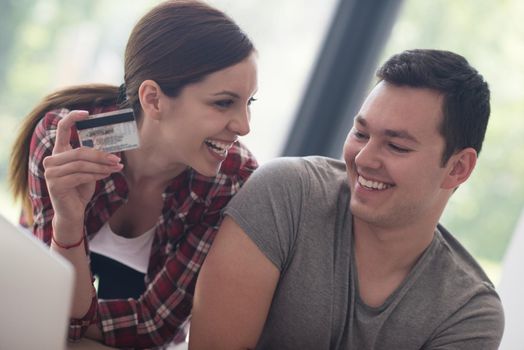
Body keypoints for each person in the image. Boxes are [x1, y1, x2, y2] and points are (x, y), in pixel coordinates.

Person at [189, 49, 504, 349]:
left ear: (458, 168)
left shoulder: (468, 312)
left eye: (397, 147)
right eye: (361, 134)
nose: (364, 159)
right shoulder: (285, 192)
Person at [8, 0, 258, 348]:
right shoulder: (67, 140)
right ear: (153, 99)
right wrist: (67, 221)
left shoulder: (233, 181)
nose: (244, 126)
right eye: (223, 102)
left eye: (249, 103)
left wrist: (71, 317)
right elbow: (41, 298)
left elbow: (153, 327)